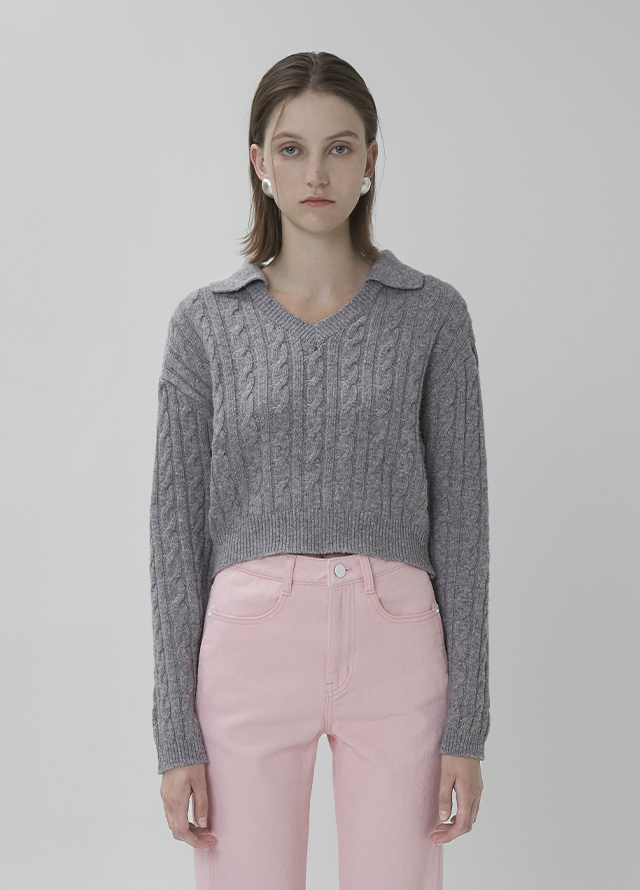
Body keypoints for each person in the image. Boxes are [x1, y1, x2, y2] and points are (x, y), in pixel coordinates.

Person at [149, 51, 490, 890]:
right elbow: (173, 539)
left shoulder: (432, 315)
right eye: (291, 149)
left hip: (397, 637)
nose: (316, 173)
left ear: (371, 159)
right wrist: (174, 736)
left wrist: (468, 726)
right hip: (248, 643)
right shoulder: (205, 325)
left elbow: (465, 526)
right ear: (258, 163)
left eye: (339, 148)